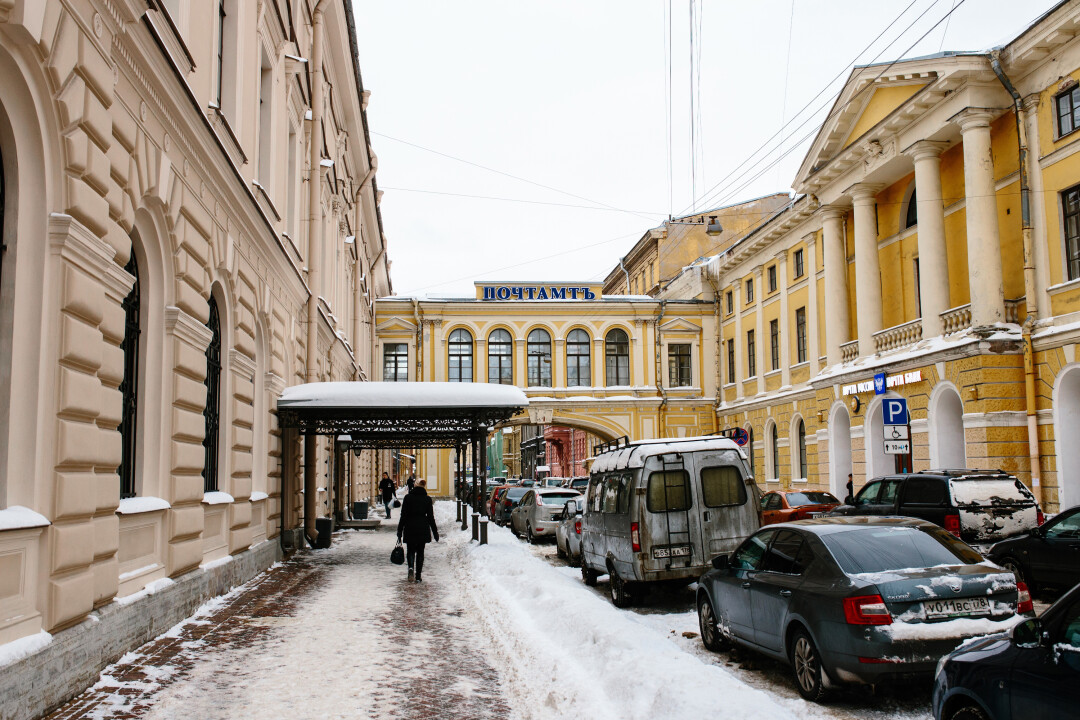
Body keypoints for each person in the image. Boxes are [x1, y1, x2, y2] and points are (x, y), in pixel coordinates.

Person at [397, 478, 439, 582]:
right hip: (422, 527)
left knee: (410, 549)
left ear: (415, 485)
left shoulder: (408, 498)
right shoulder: (427, 499)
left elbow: (403, 515)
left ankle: (411, 567)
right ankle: (418, 576)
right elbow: (431, 517)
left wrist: (399, 530)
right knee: (420, 551)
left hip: (410, 526)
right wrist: (435, 532)